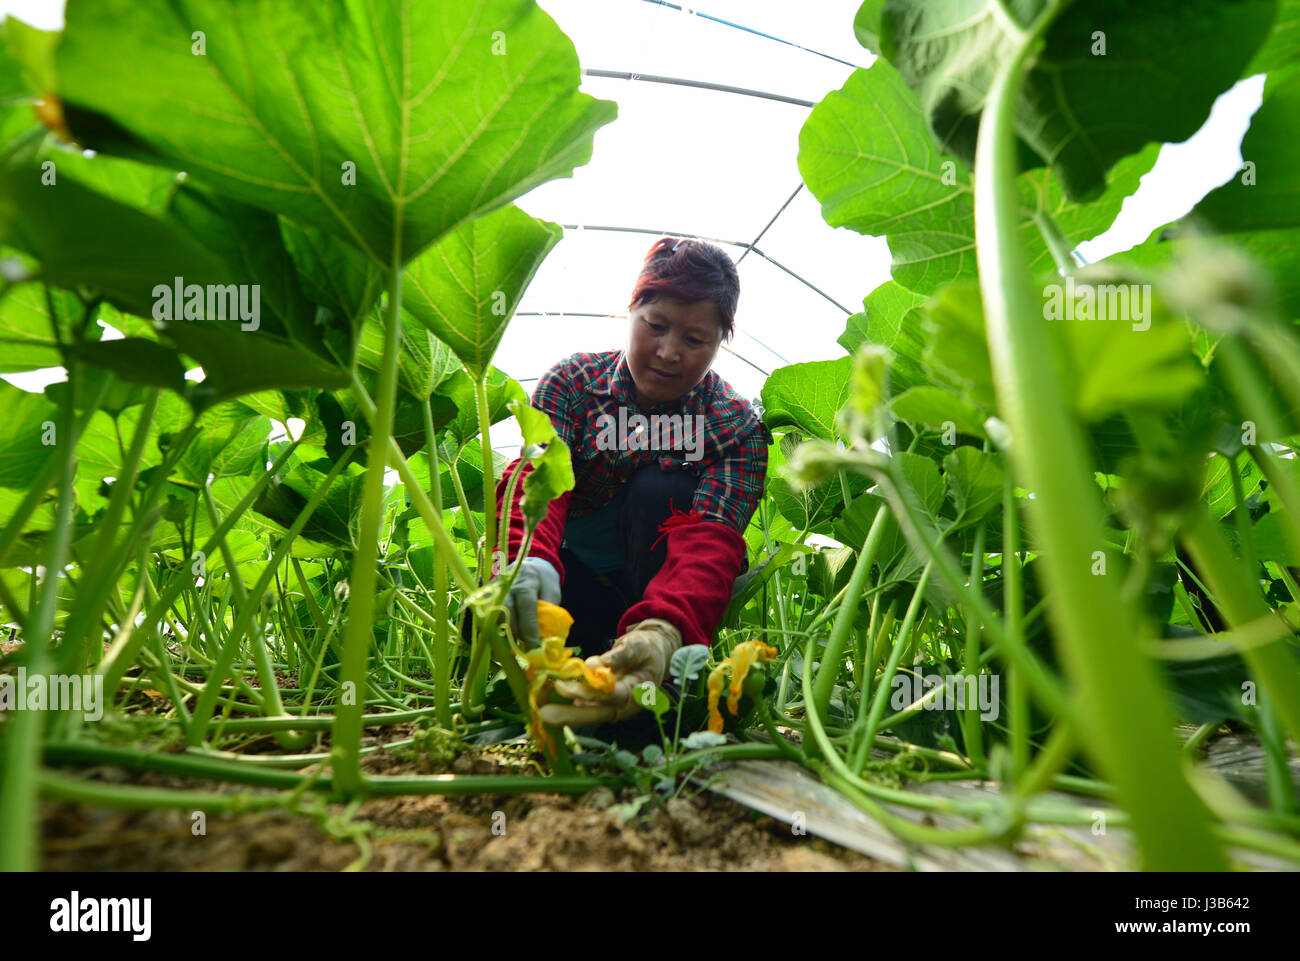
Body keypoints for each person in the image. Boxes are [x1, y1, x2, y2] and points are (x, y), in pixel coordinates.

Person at [494, 237, 771, 728]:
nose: (668, 353)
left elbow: (711, 540)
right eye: (656, 326)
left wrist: (665, 629)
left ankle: (649, 657)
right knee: (494, 630)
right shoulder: (573, 383)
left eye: (694, 340)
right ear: (631, 311)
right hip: (566, 580)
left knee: (658, 490)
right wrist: (528, 559)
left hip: (649, 591)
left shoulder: (735, 426)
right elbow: (540, 481)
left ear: (720, 342)